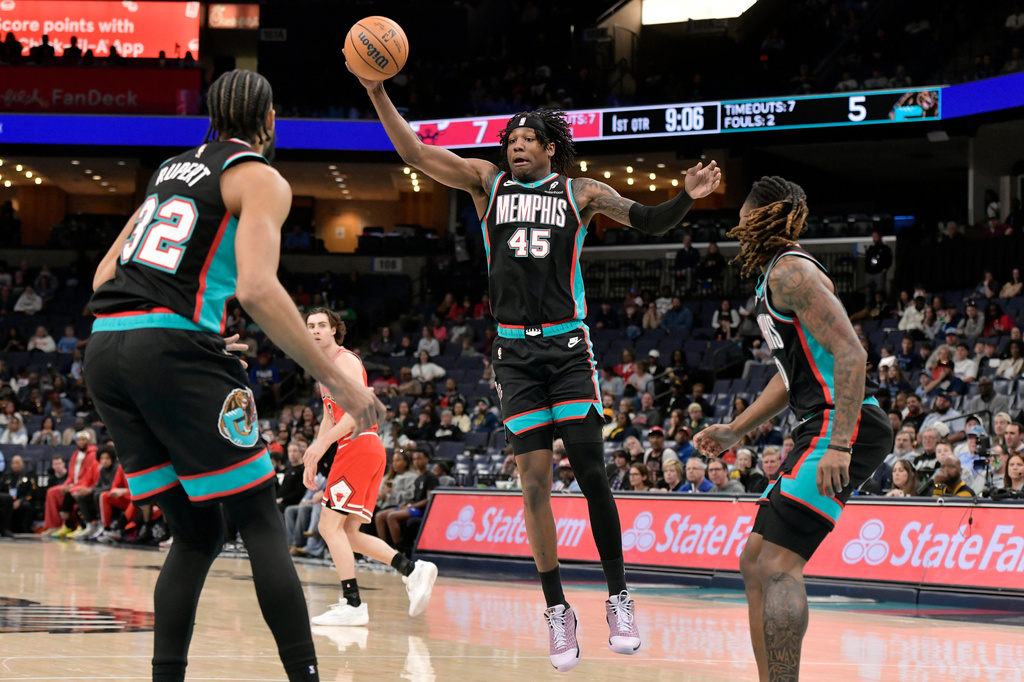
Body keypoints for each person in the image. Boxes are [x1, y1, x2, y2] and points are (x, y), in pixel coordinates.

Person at [354, 65, 722, 671]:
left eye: (525, 140)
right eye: (509, 141)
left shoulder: (581, 193)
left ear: (550, 149)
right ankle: (557, 610)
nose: (514, 146)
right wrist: (376, 91)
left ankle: (619, 595)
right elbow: (416, 151)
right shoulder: (485, 185)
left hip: (568, 348)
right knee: (532, 484)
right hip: (514, 354)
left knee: (591, 470)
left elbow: (651, 221)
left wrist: (688, 197)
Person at [83, 70, 384, 682]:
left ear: (211, 118)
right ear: (269, 120)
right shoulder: (260, 177)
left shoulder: (168, 171)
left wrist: (181, 325)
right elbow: (255, 287)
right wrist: (339, 378)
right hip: (169, 353)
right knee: (259, 518)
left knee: (195, 534)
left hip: (106, 350)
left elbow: (102, 277)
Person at [694, 176, 892, 682]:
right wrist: (736, 429)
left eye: (742, 214)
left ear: (763, 216)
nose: (736, 224)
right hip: (820, 422)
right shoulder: (773, 278)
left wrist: (841, 444)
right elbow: (790, 377)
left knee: (778, 564)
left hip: (840, 424)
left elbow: (852, 352)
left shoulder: (792, 274)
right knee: (754, 559)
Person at [300, 308, 437, 626]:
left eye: (322, 325)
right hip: (360, 449)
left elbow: (359, 411)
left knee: (327, 527)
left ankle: (353, 604)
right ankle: (412, 569)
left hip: (358, 446)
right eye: (310, 326)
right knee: (348, 532)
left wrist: (323, 445)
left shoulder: (344, 361)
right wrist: (315, 452)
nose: (316, 330)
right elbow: (329, 416)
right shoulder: (324, 369)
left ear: (335, 330)